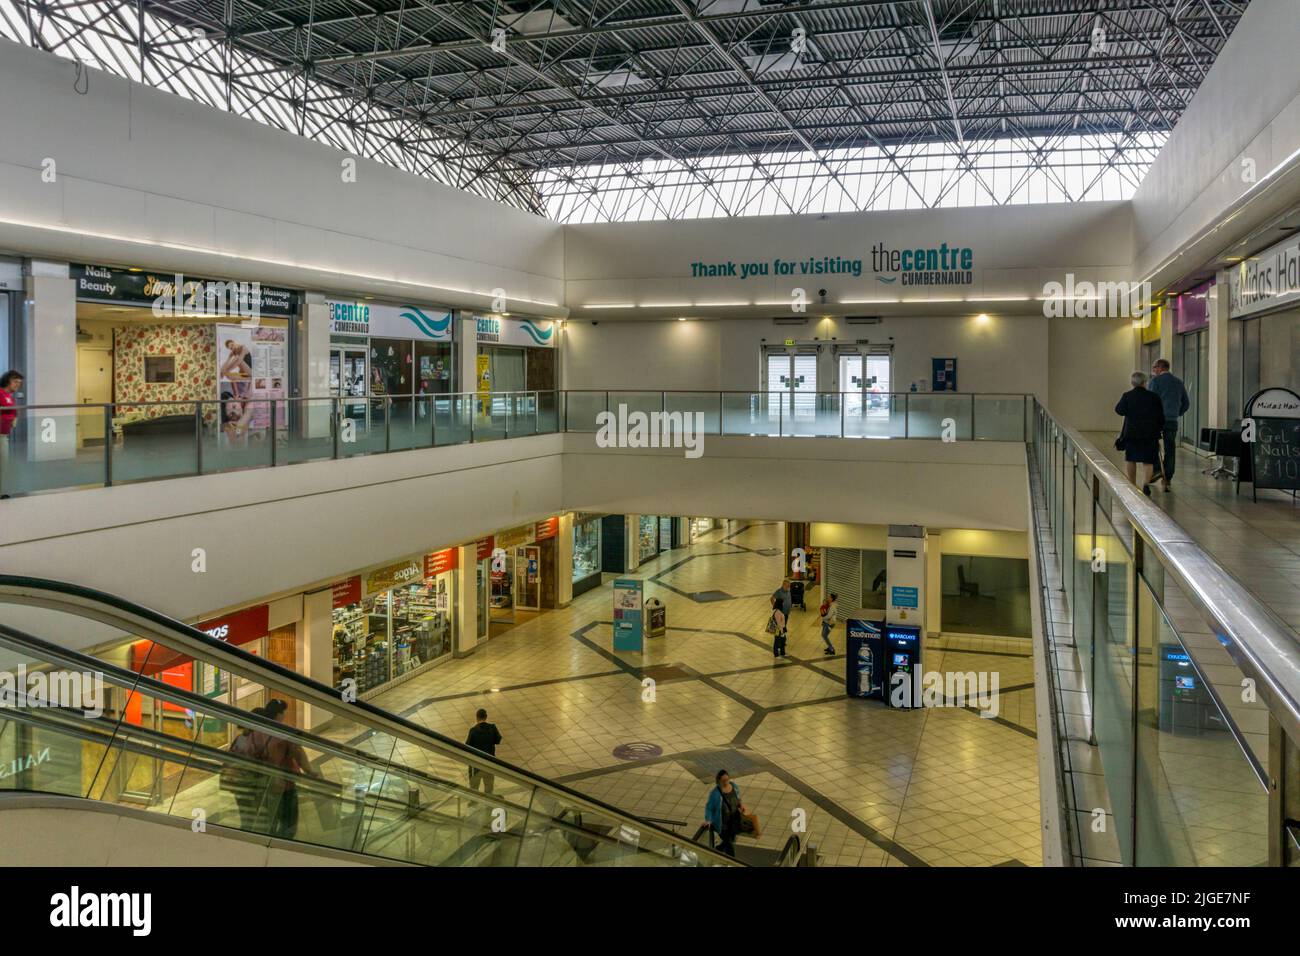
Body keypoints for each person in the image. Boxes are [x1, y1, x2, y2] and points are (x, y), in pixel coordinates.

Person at [259, 697, 326, 839]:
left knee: (269, 821)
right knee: (288, 823)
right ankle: (281, 848)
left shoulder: (258, 730)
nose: (285, 715)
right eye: (284, 712)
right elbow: (298, 753)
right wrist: (310, 772)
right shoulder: (285, 733)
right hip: (285, 785)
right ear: (279, 715)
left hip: (264, 784)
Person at [1115, 371, 1166, 495]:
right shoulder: (1154, 397)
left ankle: (1132, 484)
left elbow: (1119, 410)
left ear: (1132, 383)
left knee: (1131, 459)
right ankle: (1146, 484)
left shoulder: (1127, 396)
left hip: (1132, 433)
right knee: (1148, 460)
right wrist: (1159, 429)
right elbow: (1161, 416)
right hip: (1150, 434)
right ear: (1144, 382)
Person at [1148, 358, 1190, 492]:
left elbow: (1151, 400)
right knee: (1170, 448)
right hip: (1172, 420)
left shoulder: (1155, 381)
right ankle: (1168, 477)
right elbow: (1186, 403)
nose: (1153, 370)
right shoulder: (1178, 382)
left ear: (1160, 368)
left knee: (1152, 444)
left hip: (1157, 420)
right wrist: (1177, 413)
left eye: (1155, 367)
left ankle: (1156, 470)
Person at [703, 770, 746, 858]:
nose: (726, 782)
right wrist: (708, 820)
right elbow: (709, 808)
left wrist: (741, 805)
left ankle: (718, 849)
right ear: (718, 781)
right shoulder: (715, 793)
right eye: (723, 781)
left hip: (734, 821)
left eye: (727, 779)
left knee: (730, 841)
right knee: (729, 845)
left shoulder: (734, 786)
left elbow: (738, 798)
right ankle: (732, 862)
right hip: (722, 824)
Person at [465, 708, 503, 795]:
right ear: (486, 717)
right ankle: (488, 802)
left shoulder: (473, 731)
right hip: (489, 762)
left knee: (474, 786)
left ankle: (474, 801)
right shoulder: (492, 728)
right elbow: (498, 740)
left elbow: (467, 746)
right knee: (489, 786)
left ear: (477, 718)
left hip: (476, 764)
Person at [0, 370, 21, 500]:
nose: (18, 384)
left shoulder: (9, 396)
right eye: (15, 381)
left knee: (3, 463)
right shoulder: (0, 393)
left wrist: (14, 418)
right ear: (8, 380)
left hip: (3, 434)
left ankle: (2, 491)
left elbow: (12, 412)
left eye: (19, 382)